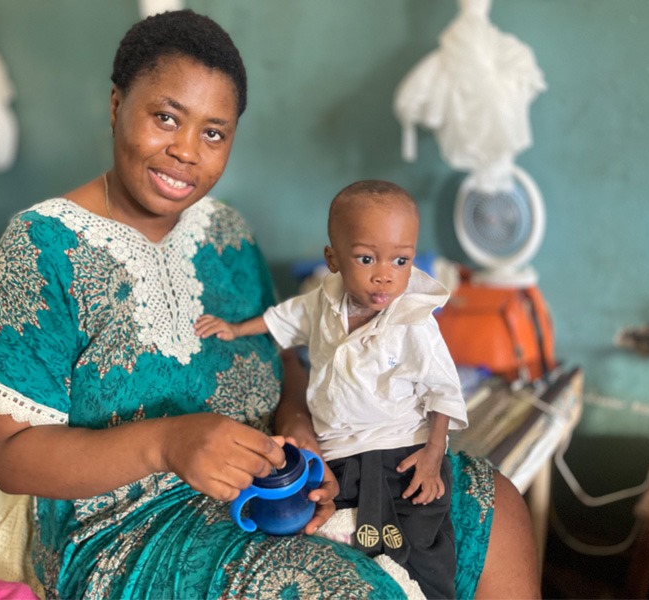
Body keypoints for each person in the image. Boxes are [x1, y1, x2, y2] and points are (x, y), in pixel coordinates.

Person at [0, 9, 540, 599]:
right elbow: (8, 455)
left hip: (274, 483)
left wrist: (297, 423)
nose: (186, 151)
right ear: (115, 106)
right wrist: (167, 443)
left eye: (213, 132)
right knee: (343, 589)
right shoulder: (39, 248)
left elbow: (280, 357)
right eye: (165, 118)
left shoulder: (227, 233)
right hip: (133, 525)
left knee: (493, 510)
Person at [196, 180, 466, 598]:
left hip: (401, 449)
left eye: (400, 260)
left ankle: (421, 590)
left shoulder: (414, 322)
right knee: (331, 524)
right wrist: (234, 329)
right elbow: (281, 320)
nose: (384, 275)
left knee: (420, 530)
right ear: (333, 259)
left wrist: (432, 457)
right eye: (365, 258)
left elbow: (442, 391)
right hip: (338, 450)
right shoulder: (322, 302)